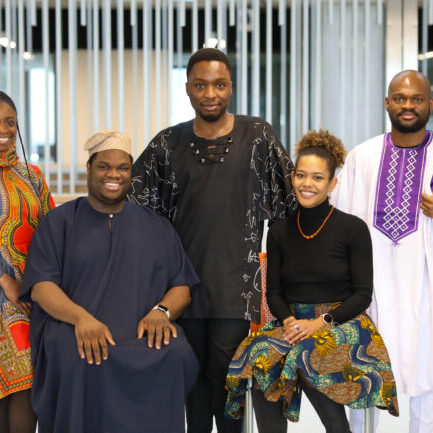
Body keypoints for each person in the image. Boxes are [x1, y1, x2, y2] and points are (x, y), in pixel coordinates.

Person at [128, 48, 295, 433]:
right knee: (191, 382)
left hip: (236, 288)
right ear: (187, 88)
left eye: (219, 85)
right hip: (179, 288)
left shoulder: (258, 137)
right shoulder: (167, 145)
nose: (210, 94)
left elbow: (289, 206)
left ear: (231, 87)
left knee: (229, 386)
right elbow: (134, 212)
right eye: (200, 85)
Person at [20, 130, 199, 433]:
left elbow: (181, 286)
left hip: (138, 334)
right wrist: (81, 319)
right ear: (89, 169)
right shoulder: (59, 222)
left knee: (177, 352)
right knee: (75, 356)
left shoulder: (156, 225)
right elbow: (41, 286)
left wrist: (162, 312)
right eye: (104, 166)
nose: (113, 174)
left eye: (122, 168)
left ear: (131, 172)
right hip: (75, 330)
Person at [225, 130, 399, 433]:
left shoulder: (352, 229)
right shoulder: (279, 230)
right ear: (293, 177)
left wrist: (321, 323)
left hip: (342, 323)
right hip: (291, 321)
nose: (308, 184)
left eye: (318, 178)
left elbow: (362, 295)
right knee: (259, 356)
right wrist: (290, 320)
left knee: (308, 354)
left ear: (332, 183)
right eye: (302, 175)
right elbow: (275, 293)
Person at [332, 70, 433, 433]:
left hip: (425, 288)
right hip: (371, 286)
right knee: (364, 372)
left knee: (428, 377)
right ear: (387, 103)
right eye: (400, 98)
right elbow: (339, 220)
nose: (408, 105)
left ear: (430, 104)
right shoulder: (363, 156)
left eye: (417, 98)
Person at [0, 91, 54, 433]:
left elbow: (52, 234)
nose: (4, 130)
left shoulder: (32, 175)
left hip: (30, 294)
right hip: (7, 294)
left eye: (9, 123)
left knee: (28, 384)